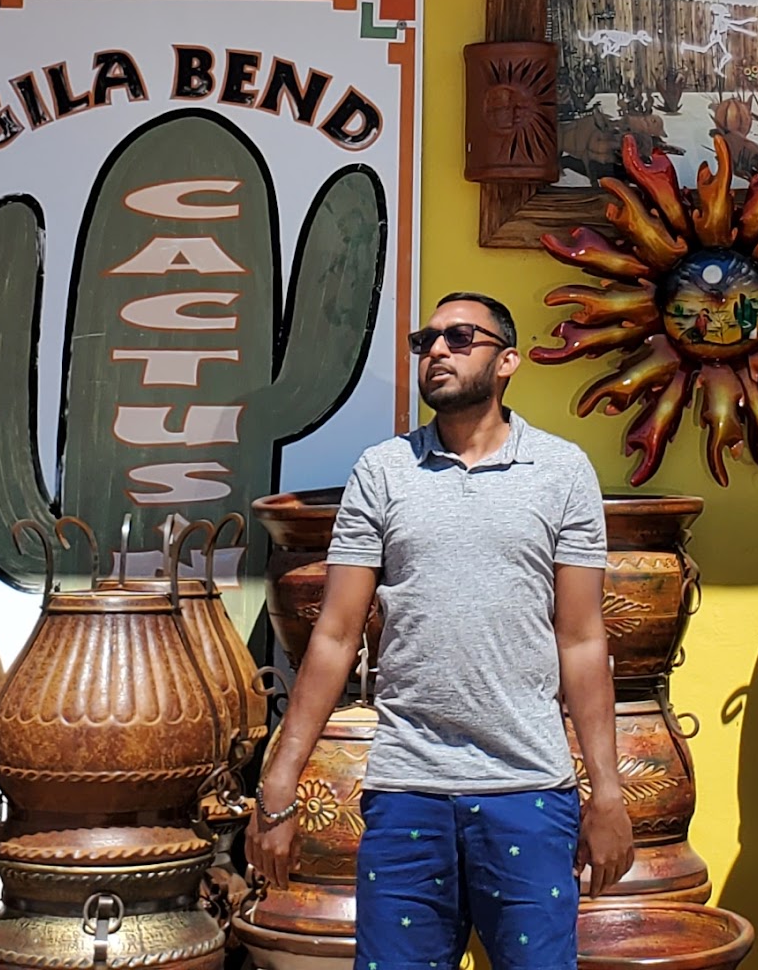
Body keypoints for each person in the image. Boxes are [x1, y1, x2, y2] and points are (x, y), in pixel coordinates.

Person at [248, 290, 632, 970]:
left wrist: (606, 792)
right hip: (406, 792)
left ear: (507, 360)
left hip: (528, 790)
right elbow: (334, 636)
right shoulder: (383, 471)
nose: (437, 352)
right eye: (425, 341)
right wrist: (279, 784)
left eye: (459, 338)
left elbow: (581, 640)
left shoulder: (562, 472)